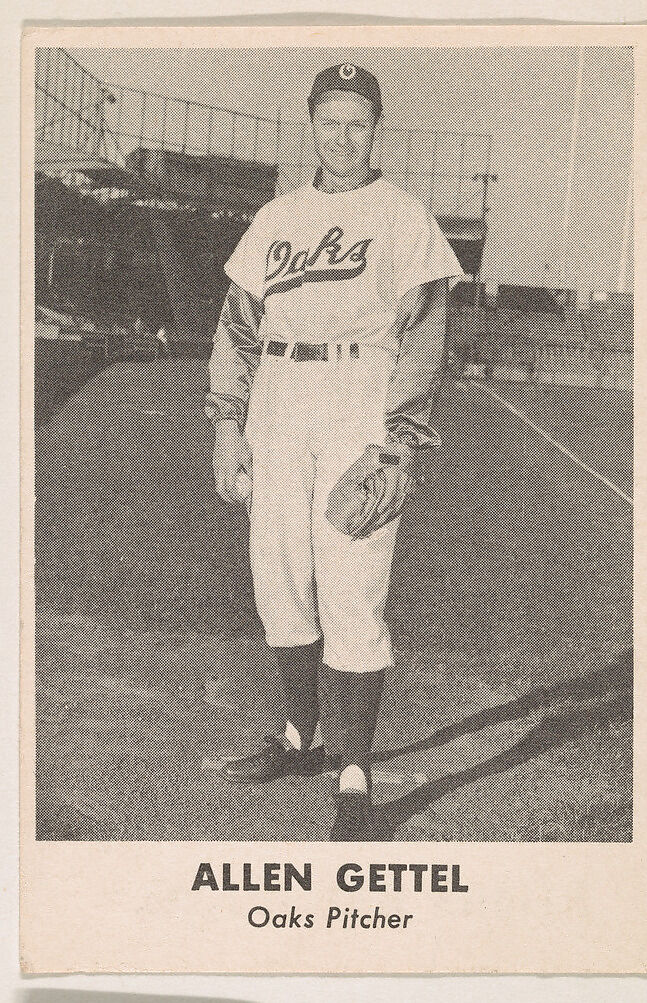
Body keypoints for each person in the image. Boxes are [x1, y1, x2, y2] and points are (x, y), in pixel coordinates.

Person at [205, 62, 461, 840]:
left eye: (357, 123)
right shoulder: (276, 217)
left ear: (375, 129)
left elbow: (423, 339)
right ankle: (299, 737)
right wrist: (226, 422)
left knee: (353, 586)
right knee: (278, 576)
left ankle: (354, 771)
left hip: (360, 398)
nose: (342, 137)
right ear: (310, 124)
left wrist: (398, 443)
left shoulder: (402, 215)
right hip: (277, 403)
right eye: (329, 121)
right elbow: (237, 327)